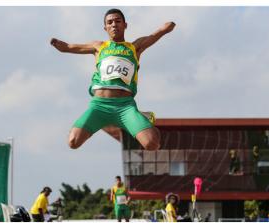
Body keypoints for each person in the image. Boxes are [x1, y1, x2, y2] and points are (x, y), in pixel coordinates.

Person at [50, 9, 175, 151]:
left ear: (125, 25)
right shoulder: (98, 47)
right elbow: (69, 47)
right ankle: (139, 117)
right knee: (73, 142)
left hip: (125, 107)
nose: (114, 25)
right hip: (99, 106)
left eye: (117, 21)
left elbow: (157, 33)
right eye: (110, 22)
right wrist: (57, 44)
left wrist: (168, 26)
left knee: (151, 144)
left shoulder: (134, 47)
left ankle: (145, 122)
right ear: (105, 28)